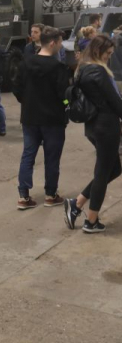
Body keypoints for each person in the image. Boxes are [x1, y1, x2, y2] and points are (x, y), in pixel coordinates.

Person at [64, 36, 122, 233]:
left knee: (113, 169)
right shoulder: (98, 72)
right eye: (107, 54)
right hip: (106, 127)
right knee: (103, 173)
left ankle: (77, 203)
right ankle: (91, 221)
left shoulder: (83, 69)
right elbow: (115, 102)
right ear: (99, 52)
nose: (109, 58)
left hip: (93, 126)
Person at [13, 27, 69, 210]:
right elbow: (64, 94)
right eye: (60, 42)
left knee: (28, 154)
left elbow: (17, 88)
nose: (61, 46)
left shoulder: (25, 63)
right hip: (53, 120)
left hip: (30, 118)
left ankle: (23, 196)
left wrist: (28, 102)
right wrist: (66, 105)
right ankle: (50, 195)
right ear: (52, 42)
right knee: (52, 157)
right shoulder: (59, 68)